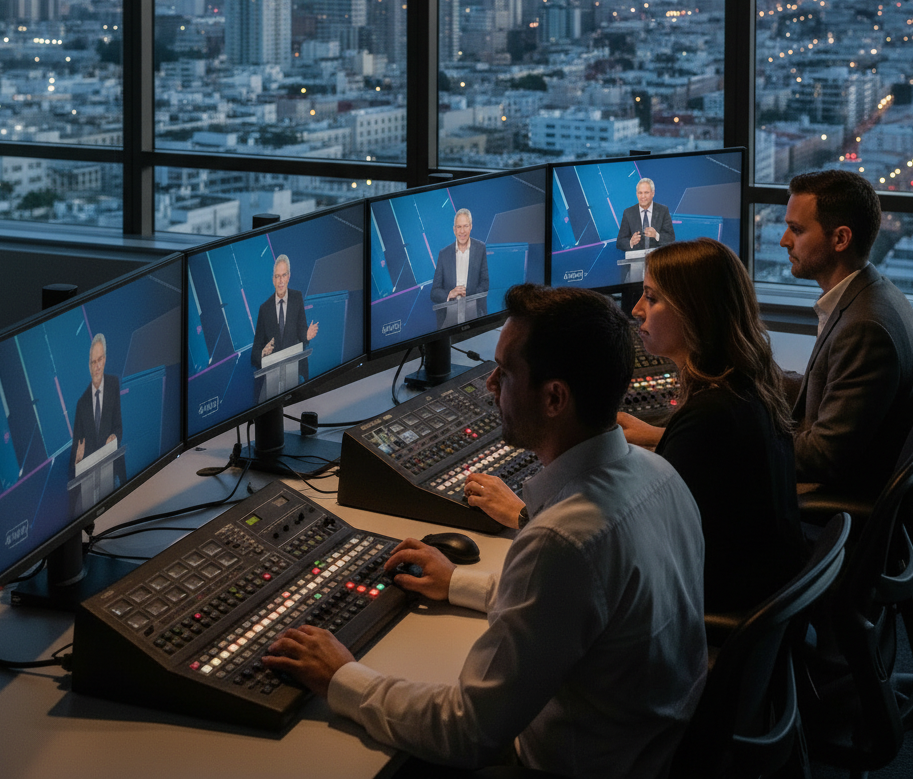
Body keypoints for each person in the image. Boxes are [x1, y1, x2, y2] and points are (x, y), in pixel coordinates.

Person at [263, 285, 707, 776]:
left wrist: (342, 678)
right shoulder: (660, 475)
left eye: (506, 372)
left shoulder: (562, 542)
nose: (490, 384)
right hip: (653, 752)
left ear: (555, 397)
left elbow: (466, 732)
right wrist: (457, 583)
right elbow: (574, 609)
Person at [470, 240, 804, 614]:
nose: (637, 310)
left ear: (695, 312)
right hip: (756, 593)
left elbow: (626, 548)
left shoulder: (711, 418)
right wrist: (663, 438)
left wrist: (523, 516)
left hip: (714, 608)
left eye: (652, 298)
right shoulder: (745, 387)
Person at [780, 169, 913, 497]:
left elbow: (822, 458)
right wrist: (758, 379)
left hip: (843, 498)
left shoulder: (865, 329)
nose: (784, 240)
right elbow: (829, 392)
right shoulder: (869, 291)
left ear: (840, 239)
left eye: (796, 229)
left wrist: (737, 440)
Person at [250, 254, 318, 382]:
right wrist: (263, 353)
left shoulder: (297, 298)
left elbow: (301, 330)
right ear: (273, 279)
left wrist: (306, 335)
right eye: (277, 276)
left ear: (289, 276)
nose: (281, 281)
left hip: (296, 371)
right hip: (274, 377)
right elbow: (254, 353)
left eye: (284, 275)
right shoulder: (264, 309)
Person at [69, 332, 125, 487]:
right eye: (93, 362)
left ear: (105, 359)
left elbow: (118, 427)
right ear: (89, 366)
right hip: (92, 478)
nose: (97, 366)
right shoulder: (82, 404)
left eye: (100, 360)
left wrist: (114, 435)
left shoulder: (113, 384)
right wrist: (77, 461)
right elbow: (76, 450)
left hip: (113, 467)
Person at [430, 207, 490, 327]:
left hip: (474, 311)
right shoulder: (444, 254)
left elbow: (485, 283)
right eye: (459, 227)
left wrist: (469, 295)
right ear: (454, 229)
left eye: (465, 226)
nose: (462, 231)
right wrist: (450, 294)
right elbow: (434, 292)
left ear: (471, 226)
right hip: (449, 315)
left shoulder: (480, 248)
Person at [616, 177, 675, 253]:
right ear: (637, 194)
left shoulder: (663, 211)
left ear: (653, 193)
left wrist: (656, 235)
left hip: (658, 259)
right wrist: (631, 242)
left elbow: (671, 238)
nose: (643, 196)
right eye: (640, 193)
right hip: (635, 261)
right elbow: (620, 242)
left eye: (646, 192)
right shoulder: (628, 213)